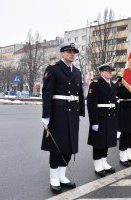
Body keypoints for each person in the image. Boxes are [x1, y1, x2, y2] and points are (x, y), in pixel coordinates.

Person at [41, 42, 85, 194]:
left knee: (69, 146)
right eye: (68, 51)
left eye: (74, 52)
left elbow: (80, 94)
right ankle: (54, 178)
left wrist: (80, 112)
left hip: (72, 113)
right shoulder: (53, 70)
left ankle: (62, 176)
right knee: (56, 147)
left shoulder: (78, 72)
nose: (72, 54)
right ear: (62, 53)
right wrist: (46, 116)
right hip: (57, 113)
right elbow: (46, 94)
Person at [87, 62, 117, 177]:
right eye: (107, 71)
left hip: (110, 118)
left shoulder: (113, 85)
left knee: (106, 142)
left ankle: (104, 162)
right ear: (101, 72)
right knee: (98, 143)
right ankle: (97, 165)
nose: (110, 73)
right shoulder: (95, 84)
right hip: (100, 118)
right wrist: (94, 121)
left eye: (111, 71)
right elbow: (91, 104)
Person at [117, 77, 131, 167]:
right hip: (125, 110)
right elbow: (119, 93)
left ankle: (129, 154)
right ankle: (123, 156)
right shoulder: (123, 81)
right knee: (125, 134)